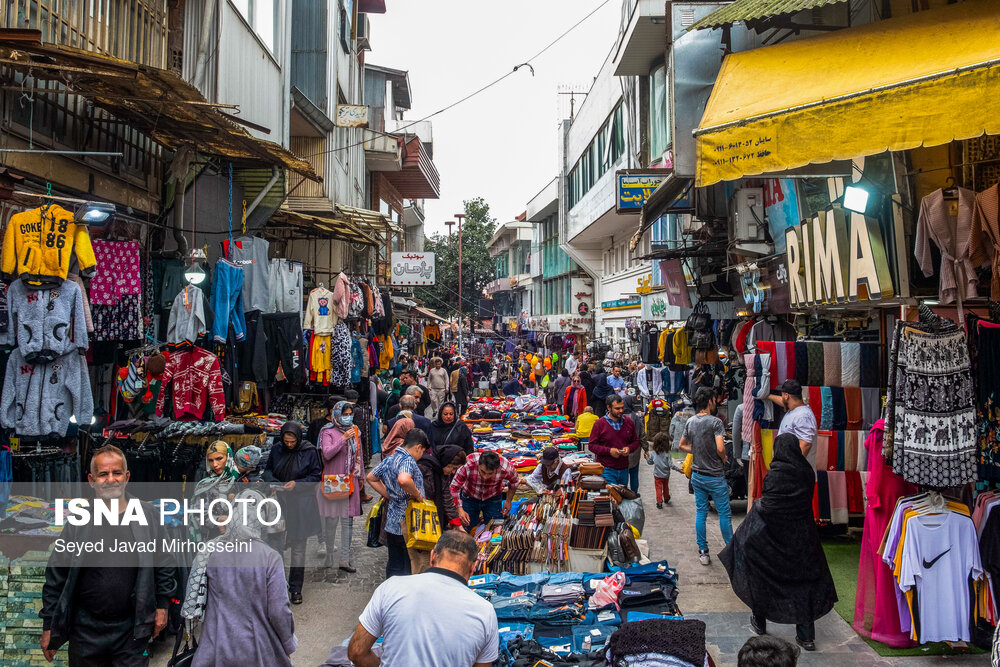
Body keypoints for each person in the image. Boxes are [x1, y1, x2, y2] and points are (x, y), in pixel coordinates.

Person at [41, 445, 175, 665]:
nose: (111, 479)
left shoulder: (148, 515)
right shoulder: (79, 520)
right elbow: (56, 574)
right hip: (85, 629)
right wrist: (49, 626)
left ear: (127, 476)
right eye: (103, 474)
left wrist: (162, 606)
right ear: (91, 480)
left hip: (131, 628)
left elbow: (164, 562)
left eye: (117, 473)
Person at [720, 433, 837, 652]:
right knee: (803, 584)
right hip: (803, 539)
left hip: (773, 539)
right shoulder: (806, 473)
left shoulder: (776, 474)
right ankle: (806, 636)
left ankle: (760, 620)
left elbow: (770, 506)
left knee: (761, 572)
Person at [347, 531, 499, 667]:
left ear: (432, 556)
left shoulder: (392, 587)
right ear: (473, 568)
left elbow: (357, 651)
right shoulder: (485, 611)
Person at [182, 489, 297, 667]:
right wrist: (287, 644)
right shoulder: (270, 557)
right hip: (257, 650)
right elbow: (278, 611)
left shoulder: (212, 552)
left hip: (216, 648)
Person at [264, 421, 322, 604]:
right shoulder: (276, 450)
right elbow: (268, 471)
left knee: (298, 547)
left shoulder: (309, 451)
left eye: (292, 441)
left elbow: (315, 476)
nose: (289, 445)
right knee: (276, 544)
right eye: (286, 441)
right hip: (280, 501)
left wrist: (297, 485)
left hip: (301, 504)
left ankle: (296, 588)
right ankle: (278, 586)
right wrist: (274, 483)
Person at [679, 387, 732, 566]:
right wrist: (723, 456)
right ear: (709, 401)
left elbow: (681, 445)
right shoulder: (715, 422)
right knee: (724, 513)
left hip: (697, 476)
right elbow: (720, 447)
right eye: (715, 400)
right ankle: (730, 549)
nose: (716, 402)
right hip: (715, 476)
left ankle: (703, 551)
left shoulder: (691, 421)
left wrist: (698, 450)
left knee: (701, 513)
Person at [367, 428, 430, 578]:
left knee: (394, 565)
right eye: (422, 452)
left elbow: (371, 477)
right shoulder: (407, 460)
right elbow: (404, 479)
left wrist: (388, 495)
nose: (421, 456)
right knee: (409, 565)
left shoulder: (390, 458)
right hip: (408, 522)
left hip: (392, 522)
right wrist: (417, 495)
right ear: (418, 447)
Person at [316, 401, 364, 574]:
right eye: (345, 414)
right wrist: (343, 440)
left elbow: (359, 455)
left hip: (350, 479)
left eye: (350, 413)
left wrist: (361, 476)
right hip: (334, 479)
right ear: (336, 414)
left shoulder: (355, 430)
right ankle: (329, 552)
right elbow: (327, 454)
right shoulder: (327, 432)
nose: (348, 416)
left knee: (348, 522)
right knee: (331, 521)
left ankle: (344, 558)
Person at [412, 444, 468, 573]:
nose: (453, 472)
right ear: (445, 461)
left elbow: (446, 495)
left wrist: (456, 523)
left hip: (430, 518)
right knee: (419, 558)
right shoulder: (424, 467)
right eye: (452, 468)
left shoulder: (440, 471)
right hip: (420, 518)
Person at [450, 451, 521, 528]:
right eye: (482, 472)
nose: (485, 477)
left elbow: (515, 481)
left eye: (490, 473)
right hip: (469, 496)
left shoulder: (506, 467)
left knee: (494, 527)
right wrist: (459, 509)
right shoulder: (468, 464)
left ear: (497, 469)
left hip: (493, 497)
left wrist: (508, 501)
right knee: (467, 525)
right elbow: (454, 487)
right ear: (478, 465)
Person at [587, 396, 640, 487]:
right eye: (617, 408)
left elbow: (635, 441)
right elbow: (592, 445)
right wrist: (609, 451)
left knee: (621, 498)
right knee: (611, 497)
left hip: (624, 469)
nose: (621, 411)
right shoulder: (599, 424)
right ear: (609, 408)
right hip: (606, 469)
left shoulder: (629, 422)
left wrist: (629, 448)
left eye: (622, 408)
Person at [769, 379, 818, 471]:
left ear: (786, 396)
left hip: (797, 476)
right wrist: (768, 396)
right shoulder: (794, 410)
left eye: (782, 394)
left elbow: (806, 444)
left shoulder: (802, 416)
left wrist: (791, 469)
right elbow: (782, 401)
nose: (781, 397)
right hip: (790, 474)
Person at [192, 440, 239, 534]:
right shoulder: (204, 485)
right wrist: (217, 519)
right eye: (211, 460)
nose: (215, 464)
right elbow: (198, 514)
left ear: (228, 458)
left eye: (219, 458)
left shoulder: (240, 480)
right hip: (213, 538)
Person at [647, 432, 673, 508]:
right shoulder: (667, 454)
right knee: (665, 486)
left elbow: (650, 462)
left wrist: (647, 457)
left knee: (658, 488)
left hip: (657, 474)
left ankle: (659, 502)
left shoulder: (653, 453)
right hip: (666, 474)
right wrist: (679, 470)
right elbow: (671, 465)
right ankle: (666, 497)